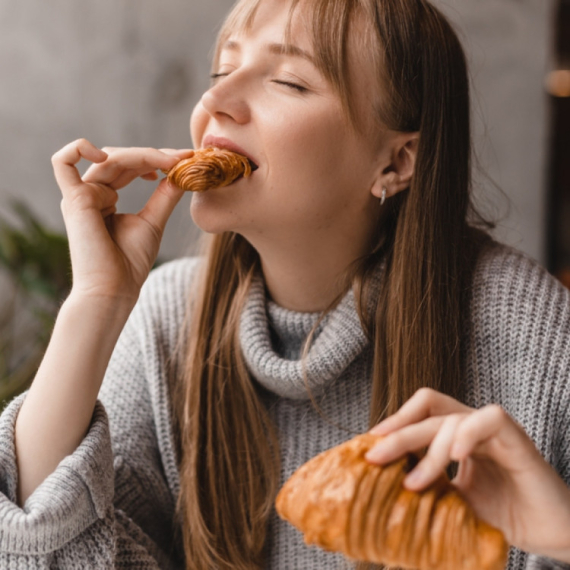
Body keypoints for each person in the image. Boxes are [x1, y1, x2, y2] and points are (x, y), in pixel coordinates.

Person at [1, 0, 569, 568]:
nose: (214, 102)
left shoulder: (537, 338)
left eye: (289, 81)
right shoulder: (167, 319)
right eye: (222, 71)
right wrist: (95, 305)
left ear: (396, 162)